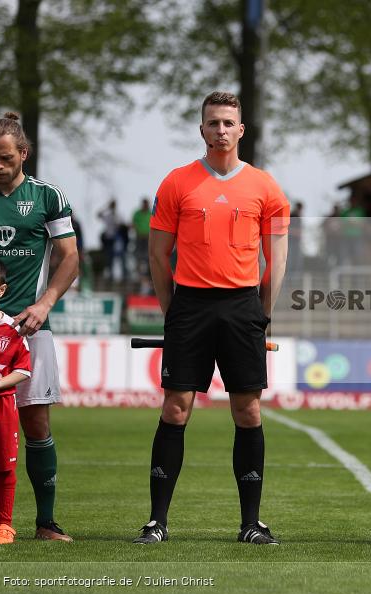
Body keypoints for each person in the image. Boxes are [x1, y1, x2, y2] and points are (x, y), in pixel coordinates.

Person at [135, 91, 289, 544]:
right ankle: (157, 522)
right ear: (201, 128)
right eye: (212, 122)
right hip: (190, 306)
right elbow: (158, 255)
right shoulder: (176, 183)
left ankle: (251, 524)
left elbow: (277, 259)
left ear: (241, 130)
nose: (220, 130)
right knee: (175, 408)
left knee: (248, 410)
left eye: (227, 123)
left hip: (243, 307)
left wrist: (261, 314)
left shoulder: (265, 186)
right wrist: (173, 311)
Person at [0, 113, 79, 542]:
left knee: (37, 424)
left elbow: (70, 257)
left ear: (23, 153)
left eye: (6, 158)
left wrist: (45, 303)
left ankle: (46, 523)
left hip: (29, 330)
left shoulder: (47, 196)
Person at [0, 258, 31, 544]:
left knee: (4, 467)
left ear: (1, 290)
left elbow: (24, 370)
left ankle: (4, 525)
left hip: (0, 406)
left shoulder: (12, 329)